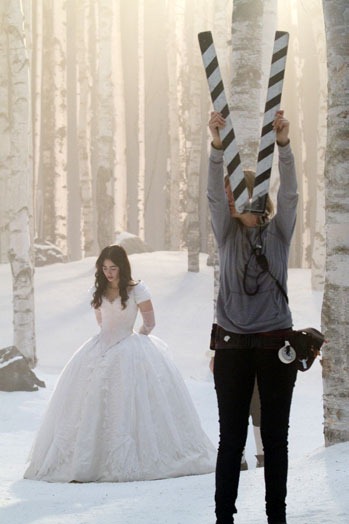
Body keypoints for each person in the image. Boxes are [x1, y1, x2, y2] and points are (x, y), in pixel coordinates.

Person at [24, 245, 216, 482]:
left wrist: (138, 343)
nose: (108, 273)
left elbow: (150, 322)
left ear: (122, 267)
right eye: (104, 268)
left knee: (127, 401)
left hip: (129, 343)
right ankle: (86, 459)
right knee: (89, 400)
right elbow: (101, 321)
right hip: (101, 346)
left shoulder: (137, 290)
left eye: (113, 268)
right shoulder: (99, 290)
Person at [207, 110, 298, 524]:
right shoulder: (227, 234)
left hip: (275, 345)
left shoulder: (278, 233)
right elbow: (212, 195)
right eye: (230, 193)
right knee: (232, 440)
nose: (230, 198)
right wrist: (215, 146)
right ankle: (223, 517)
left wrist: (283, 146)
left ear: (256, 195)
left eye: (238, 191)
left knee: (275, 440)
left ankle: (275, 516)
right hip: (232, 347)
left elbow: (293, 196)